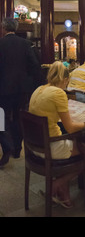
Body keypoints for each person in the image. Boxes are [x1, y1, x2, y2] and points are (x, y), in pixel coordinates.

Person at [29, 61, 85, 208]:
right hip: (51, 146)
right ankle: (55, 185)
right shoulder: (58, 93)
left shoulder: (39, 89)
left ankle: (64, 196)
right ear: (66, 79)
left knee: (73, 143)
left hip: (34, 147)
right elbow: (72, 128)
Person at [0, 18, 40, 167]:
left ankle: (6, 146)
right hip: (22, 89)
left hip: (3, 88)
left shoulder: (0, 44)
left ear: (3, 28)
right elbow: (34, 65)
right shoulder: (25, 44)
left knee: (2, 118)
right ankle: (17, 148)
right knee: (17, 117)